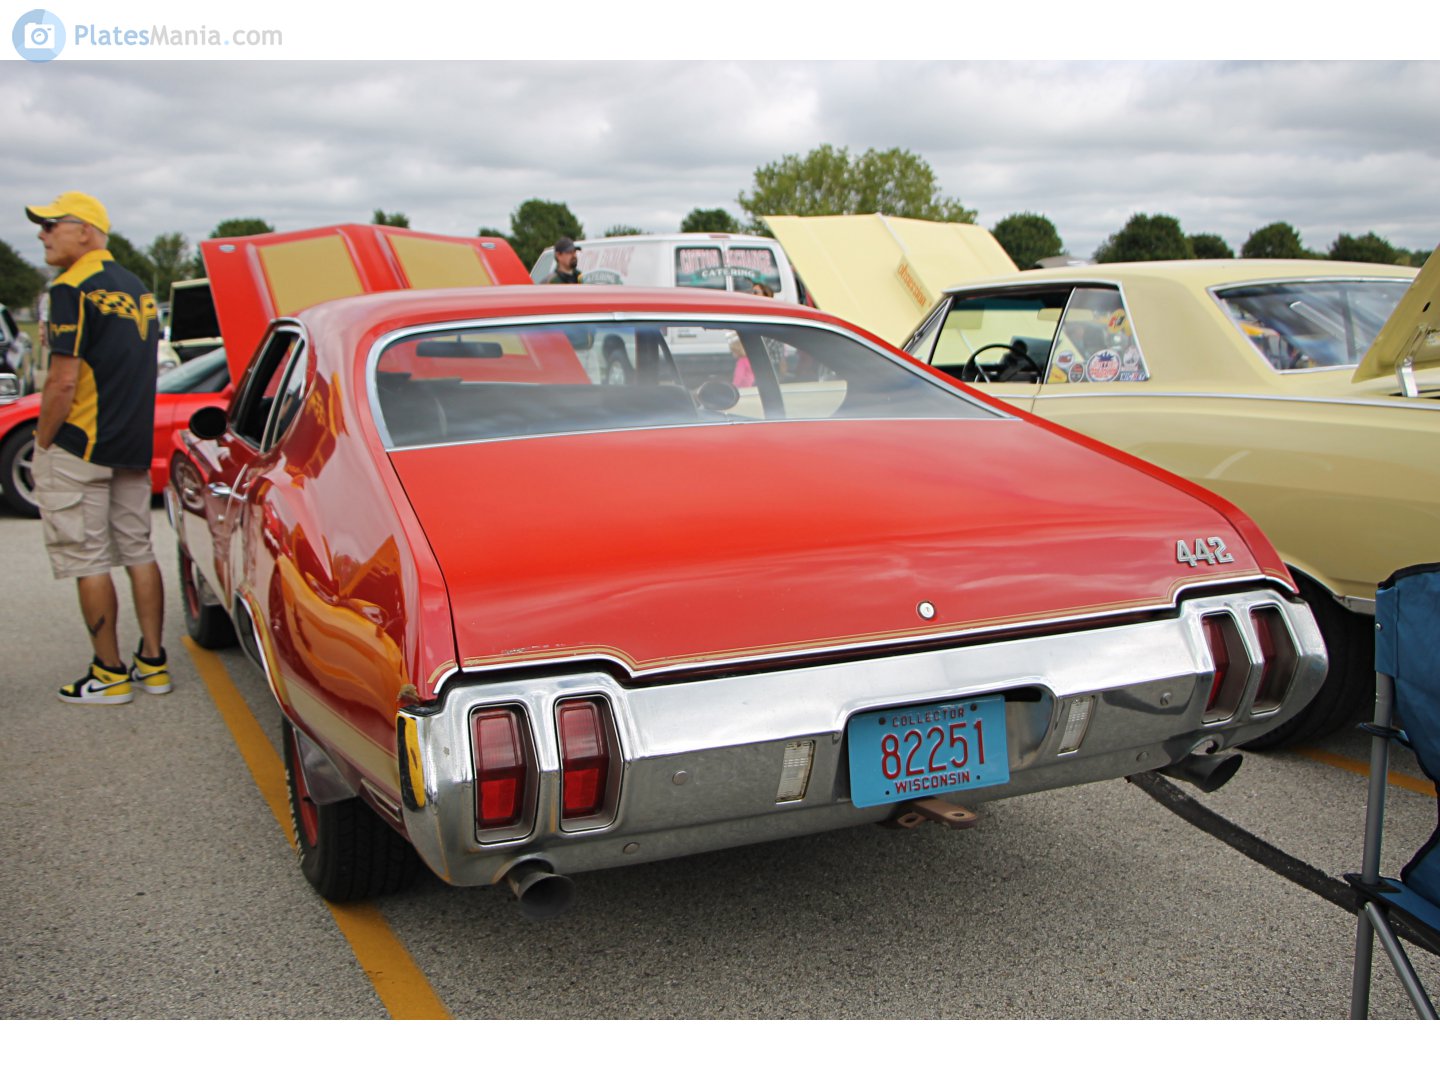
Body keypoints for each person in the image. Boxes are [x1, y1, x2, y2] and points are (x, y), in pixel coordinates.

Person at [25, 191, 168, 705]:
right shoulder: (138, 289)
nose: (42, 234)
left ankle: (108, 674)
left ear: (85, 231)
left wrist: (42, 443)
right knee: (139, 551)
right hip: (131, 444)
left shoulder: (71, 286)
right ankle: (153, 664)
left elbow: (62, 380)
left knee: (88, 560)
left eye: (51, 225)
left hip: (80, 445)